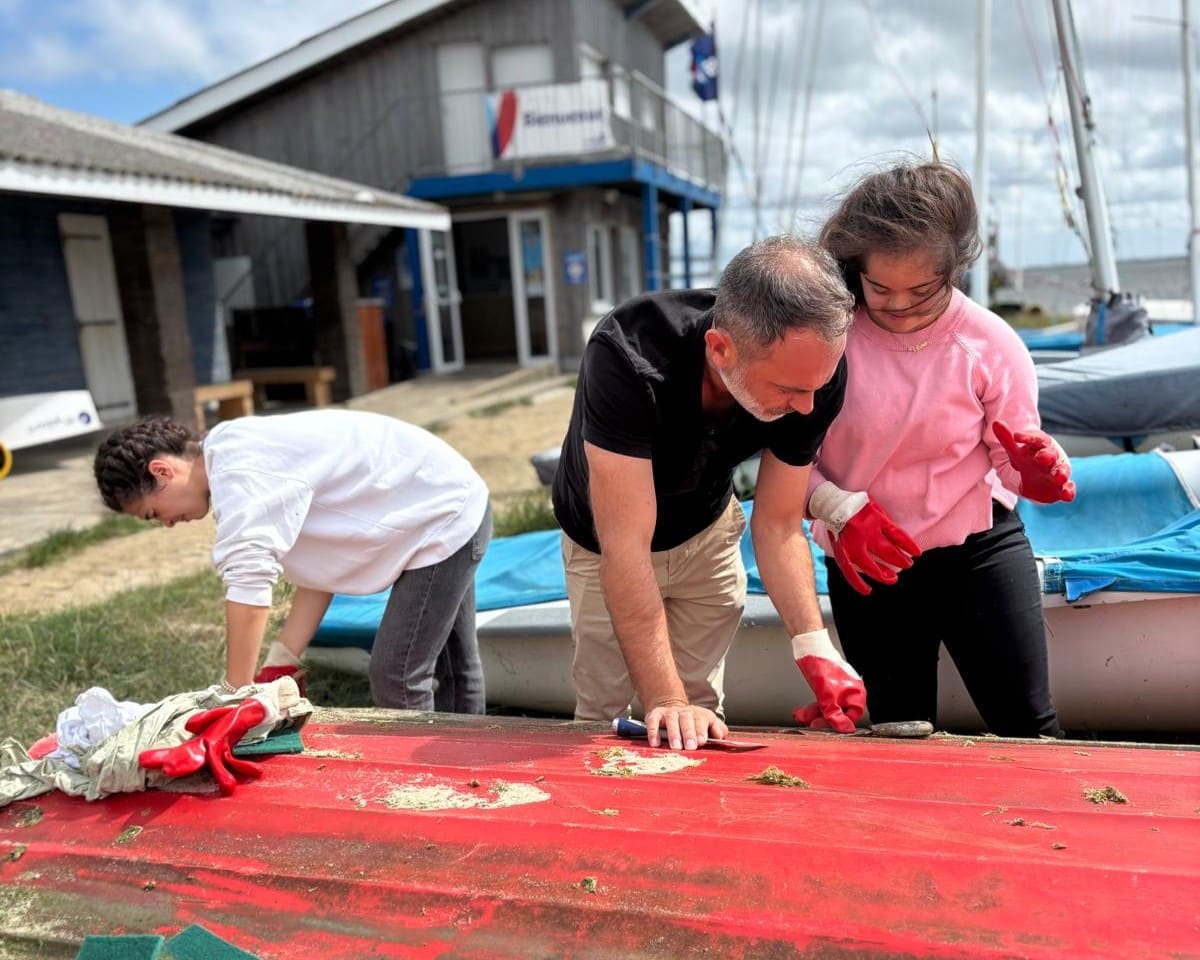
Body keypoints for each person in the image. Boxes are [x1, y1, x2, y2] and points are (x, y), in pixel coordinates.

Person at [552, 235, 868, 751]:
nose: (808, 408)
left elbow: (779, 523)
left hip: (706, 530)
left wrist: (814, 645)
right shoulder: (628, 353)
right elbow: (626, 545)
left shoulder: (811, 375)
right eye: (789, 390)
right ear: (720, 349)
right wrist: (664, 698)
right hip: (606, 543)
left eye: (817, 387)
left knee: (700, 708)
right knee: (603, 714)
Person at [809, 159, 1075, 738]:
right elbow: (785, 461)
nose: (899, 305)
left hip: (978, 549)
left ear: (953, 269)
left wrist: (1036, 475)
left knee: (1029, 727)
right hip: (867, 559)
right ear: (855, 269)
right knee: (899, 730)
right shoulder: (825, 337)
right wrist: (836, 508)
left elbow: (1014, 458)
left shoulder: (991, 343)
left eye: (922, 291)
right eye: (880, 288)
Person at [93, 409, 492, 713]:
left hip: (441, 516)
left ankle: (427, 785)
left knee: (397, 676)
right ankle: (468, 771)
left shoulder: (240, 474)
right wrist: (283, 658)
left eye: (153, 513)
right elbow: (322, 567)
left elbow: (249, 587)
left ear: (162, 471)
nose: (165, 523)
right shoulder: (232, 448)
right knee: (455, 666)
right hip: (442, 500)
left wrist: (236, 695)